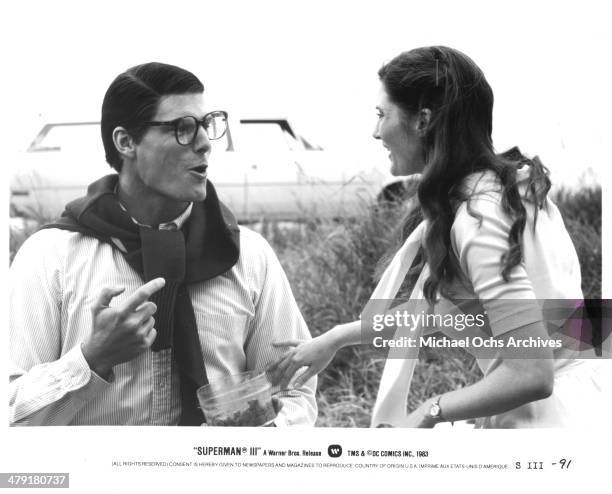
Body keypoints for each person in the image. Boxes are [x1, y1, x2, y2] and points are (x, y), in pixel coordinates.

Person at [268, 46, 609, 428]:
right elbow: (443, 309)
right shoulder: (509, 189)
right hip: (587, 397)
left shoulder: (479, 218)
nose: (376, 130)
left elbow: (531, 373)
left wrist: (431, 411)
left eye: (382, 114)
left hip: (553, 424)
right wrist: (336, 338)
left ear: (423, 120)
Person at [9, 62, 317, 426]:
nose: (205, 144)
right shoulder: (50, 256)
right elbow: (10, 414)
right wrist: (93, 358)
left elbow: (294, 391)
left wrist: (260, 440)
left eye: (206, 125)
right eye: (182, 129)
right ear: (126, 142)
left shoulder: (247, 255)